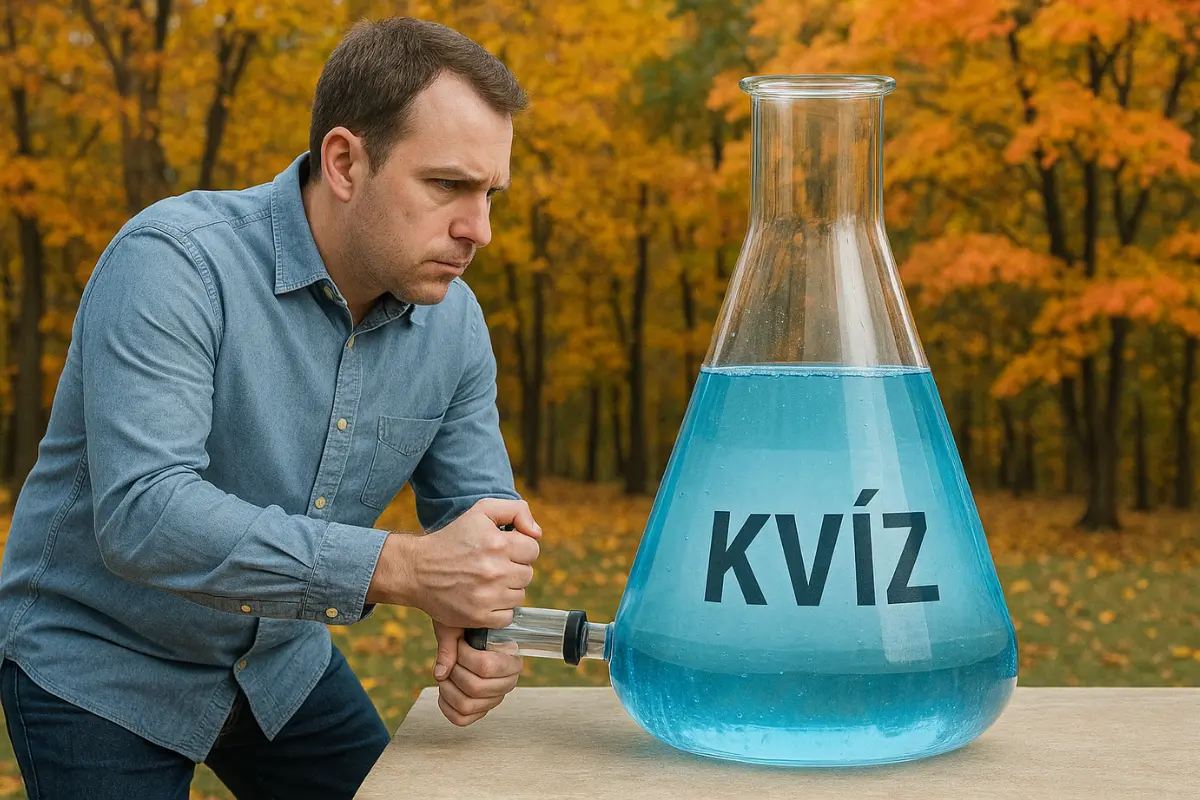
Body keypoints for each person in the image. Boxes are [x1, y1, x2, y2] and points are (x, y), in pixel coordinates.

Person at [0, 16, 541, 799]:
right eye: (447, 186)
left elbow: (482, 521)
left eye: (490, 194)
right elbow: (144, 514)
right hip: (101, 663)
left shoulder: (454, 325)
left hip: (280, 667)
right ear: (345, 162)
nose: (479, 230)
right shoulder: (174, 263)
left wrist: (485, 623)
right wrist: (401, 568)